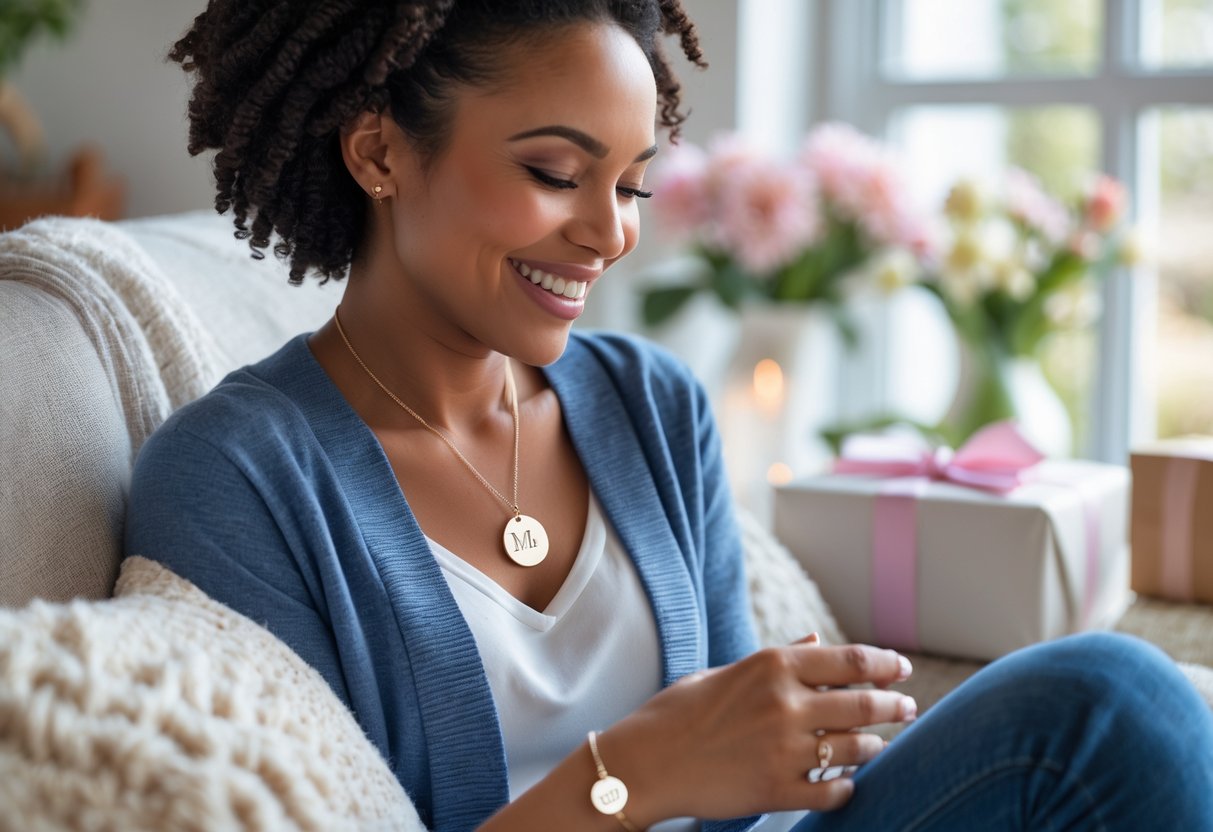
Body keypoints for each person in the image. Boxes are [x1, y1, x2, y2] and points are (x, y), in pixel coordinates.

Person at [125, 2, 1213, 830]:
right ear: (377, 154)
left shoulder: (649, 404)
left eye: (634, 186)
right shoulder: (234, 475)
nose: (609, 235)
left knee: (1119, 702)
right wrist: (634, 768)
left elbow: (754, 792)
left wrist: (809, 730)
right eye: (556, 171)